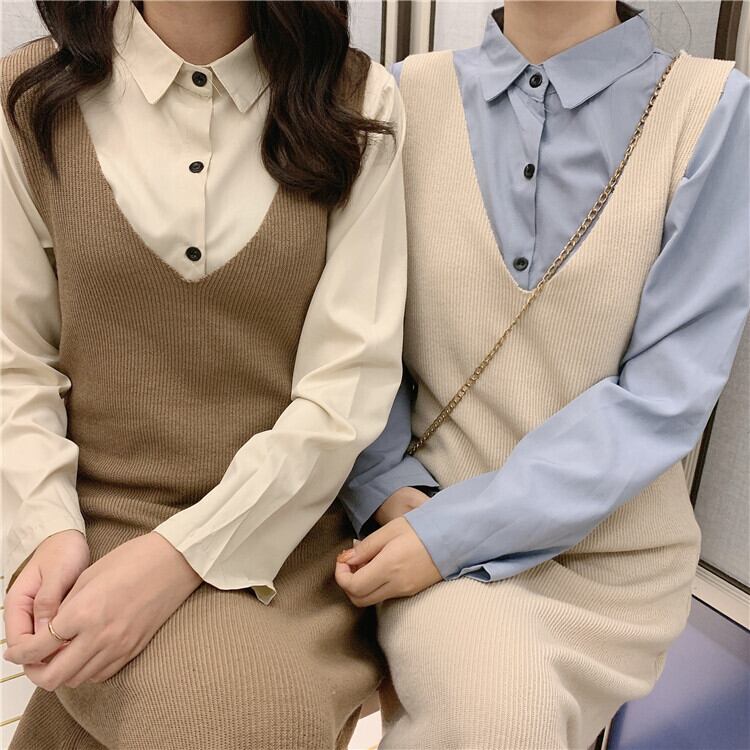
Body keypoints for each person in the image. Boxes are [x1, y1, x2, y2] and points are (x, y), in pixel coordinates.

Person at [335, 1, 750, 748]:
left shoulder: (712, 110)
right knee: (500, 713)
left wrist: (452, 533)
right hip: (421, 515)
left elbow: (664, 396)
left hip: (612, 559)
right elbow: (364, 342)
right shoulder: (407, 95)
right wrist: (390, 493)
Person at [1, 1, 407, 747]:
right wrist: (47, 531)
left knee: (240, 718)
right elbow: (14, 363)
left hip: (284, 536)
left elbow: (347, 387)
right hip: (92, 528)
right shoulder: (28, 98)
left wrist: (177, 557)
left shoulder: (356, 99)